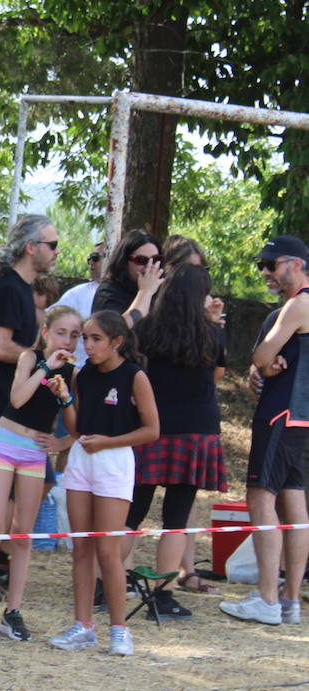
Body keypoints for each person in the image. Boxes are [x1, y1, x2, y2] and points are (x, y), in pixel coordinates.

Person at [0, 306, 81, 642]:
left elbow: (80, 424)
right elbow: (17, 399)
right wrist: (46, 368)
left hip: (34, 451)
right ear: (45, 332)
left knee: (23, 533)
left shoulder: (75, 373)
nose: (68, 341)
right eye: (61, 333)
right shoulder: (30, 358)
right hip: (6, 441)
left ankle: (13, 611)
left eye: (74, 335)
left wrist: (63, 440)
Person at [48, 311, 158, 656]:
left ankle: (120, 629)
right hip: (82, 460)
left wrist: (108, 442)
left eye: (95, 339)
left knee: (108, 551)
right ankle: (83, 626)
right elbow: (78, 427)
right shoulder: (84, 375)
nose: (87, 345)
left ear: (117, 342)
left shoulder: (134, 376)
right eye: (85, 338)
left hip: (114, 462)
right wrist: (64, 398)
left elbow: (152, 430)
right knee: (81, 548)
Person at [119, 264, 226, 620]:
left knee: (132, 514)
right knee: (177, 519)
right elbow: (217, 373)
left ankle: (106, 583)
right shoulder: (213, 334)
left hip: (151, 428)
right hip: (196, 431)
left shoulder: (147, 329)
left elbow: (126, 350)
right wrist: (214, 321)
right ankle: (162, 599)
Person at [0, 214, 58, 600]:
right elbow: (0, 348)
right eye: (52, 244)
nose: (57, 252)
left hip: (17, 406)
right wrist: (43, 359)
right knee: (4, 496)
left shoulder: (22, 289)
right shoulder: (7, 289)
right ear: (31, 247)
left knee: (39, 482)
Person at [219, 236, 309, 627]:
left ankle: (267, 598)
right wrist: (263, 369)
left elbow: (259, 356)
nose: (265, 273)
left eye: (272, 264)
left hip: (281, 413)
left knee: (260, 497)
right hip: (298, 416)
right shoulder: (292, 308)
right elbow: (262, 366)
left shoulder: (299, 304)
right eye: (262, 265)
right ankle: (289, 601)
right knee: (293, 504)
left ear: (296, 264)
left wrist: (264, 364)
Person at [93, 229, 163, 327]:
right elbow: (117, 330)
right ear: (124, 261)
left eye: (156, 260)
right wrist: (145, 292)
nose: (149, 266)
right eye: (141, 260)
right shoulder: (108, 291)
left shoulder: (161, 290)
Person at [54, 241, 105, 366]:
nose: (91, 262)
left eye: (95, 258)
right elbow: (48, 321)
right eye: (90, 258)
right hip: (76, 369)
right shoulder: (78, 293)